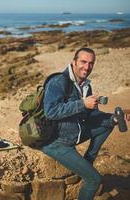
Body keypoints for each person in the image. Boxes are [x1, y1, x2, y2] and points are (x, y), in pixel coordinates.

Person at [42, 47, 130, 200]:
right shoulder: (58, 81)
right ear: (74, 62)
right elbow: (51, 112)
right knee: (94, 180)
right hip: (55, 142)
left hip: (74, 134)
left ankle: (86, 164)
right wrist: (83, 104)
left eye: (91, 63)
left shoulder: (85, 85)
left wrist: (113, 119)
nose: (87, 67)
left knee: (108, 124)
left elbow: (90, 115)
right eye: (83, 62)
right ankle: (87, 173)